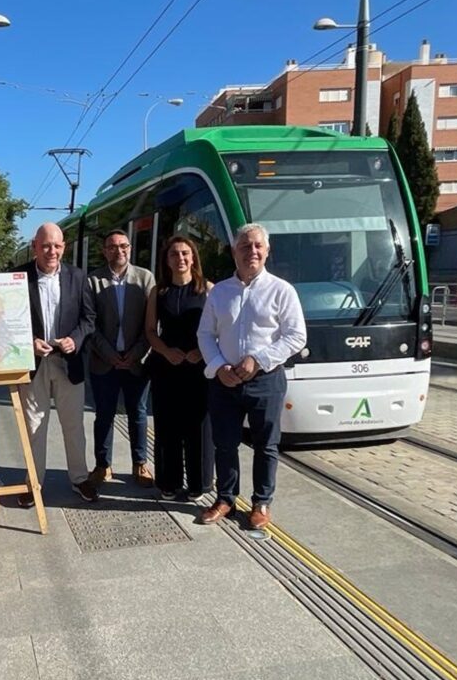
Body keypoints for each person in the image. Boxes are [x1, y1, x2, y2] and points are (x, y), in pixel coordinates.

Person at [198, 223, 307, 529]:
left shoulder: (282, 290)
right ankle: (226, 499)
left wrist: (258, 360)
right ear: (234, 252)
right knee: (224, 444)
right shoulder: (219, 292)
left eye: (258, 246)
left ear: (267, 251)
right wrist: (219, 366)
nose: (252, 251)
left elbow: (296, 336)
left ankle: (261, 503)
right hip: (225, 381)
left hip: (266, 381)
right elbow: (205, 334)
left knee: (266, 445)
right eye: (245, 246)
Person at [18, 222, 98, 503]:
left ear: (64, 247)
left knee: (73, 424)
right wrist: (29, 341)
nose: (52, 251)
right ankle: (33, 483)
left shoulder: (78, 277)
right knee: (34, 426)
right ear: (35, 247)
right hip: (34, 361)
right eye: (46, 245)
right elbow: (8, 321)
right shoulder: (19, 278)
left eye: (57, 246)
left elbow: (89, 320)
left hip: (68, 362)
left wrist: (75, 340)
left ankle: (79, 478)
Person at [144, 235, 215, 500]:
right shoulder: (158, 292)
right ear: (167, 260)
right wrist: (165, 351)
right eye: (174, 254)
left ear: (194, 257)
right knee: (167, 427)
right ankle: (169, 483)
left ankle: (199, 483)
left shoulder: (208, 289)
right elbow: (150, 331)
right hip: (167, 366)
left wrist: (202, 352)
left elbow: (220, 330)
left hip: (199, 367)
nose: (181, 258)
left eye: (185, 253)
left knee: (198, 427)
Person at [87, 229, 156, 488]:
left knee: (137, 413)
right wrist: (110, 355)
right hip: (103, 362)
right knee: (104, 415)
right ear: (105, 251)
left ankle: (140, 463)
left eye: (124, 246)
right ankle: (102, 465)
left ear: (130, 248)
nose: (119, 251)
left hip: (137, 362)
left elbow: (152, 324)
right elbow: (90, 324)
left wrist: (136, 353)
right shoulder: (93, 281)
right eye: (113, 246)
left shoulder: (145, 279)